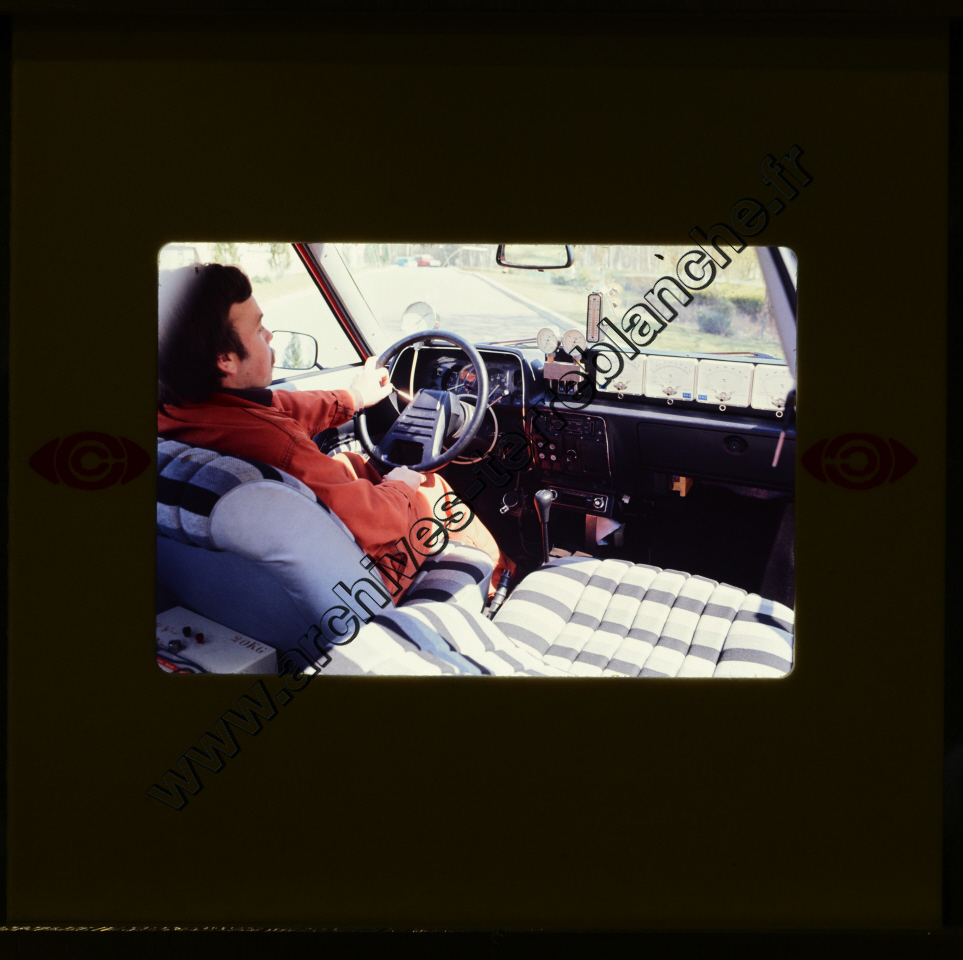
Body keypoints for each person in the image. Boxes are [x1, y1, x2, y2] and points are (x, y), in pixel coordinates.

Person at [157, 262, 514, 600]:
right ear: (225, 360)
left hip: (252, 587)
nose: (269, 335)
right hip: (358, 586)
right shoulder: (277, 444)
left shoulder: (179, 411)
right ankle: (498, 584)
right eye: (259, 329)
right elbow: (376, 521)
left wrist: (354, 398)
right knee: (428, 489)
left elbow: (281, 404)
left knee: (351, 464)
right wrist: (403, 486)